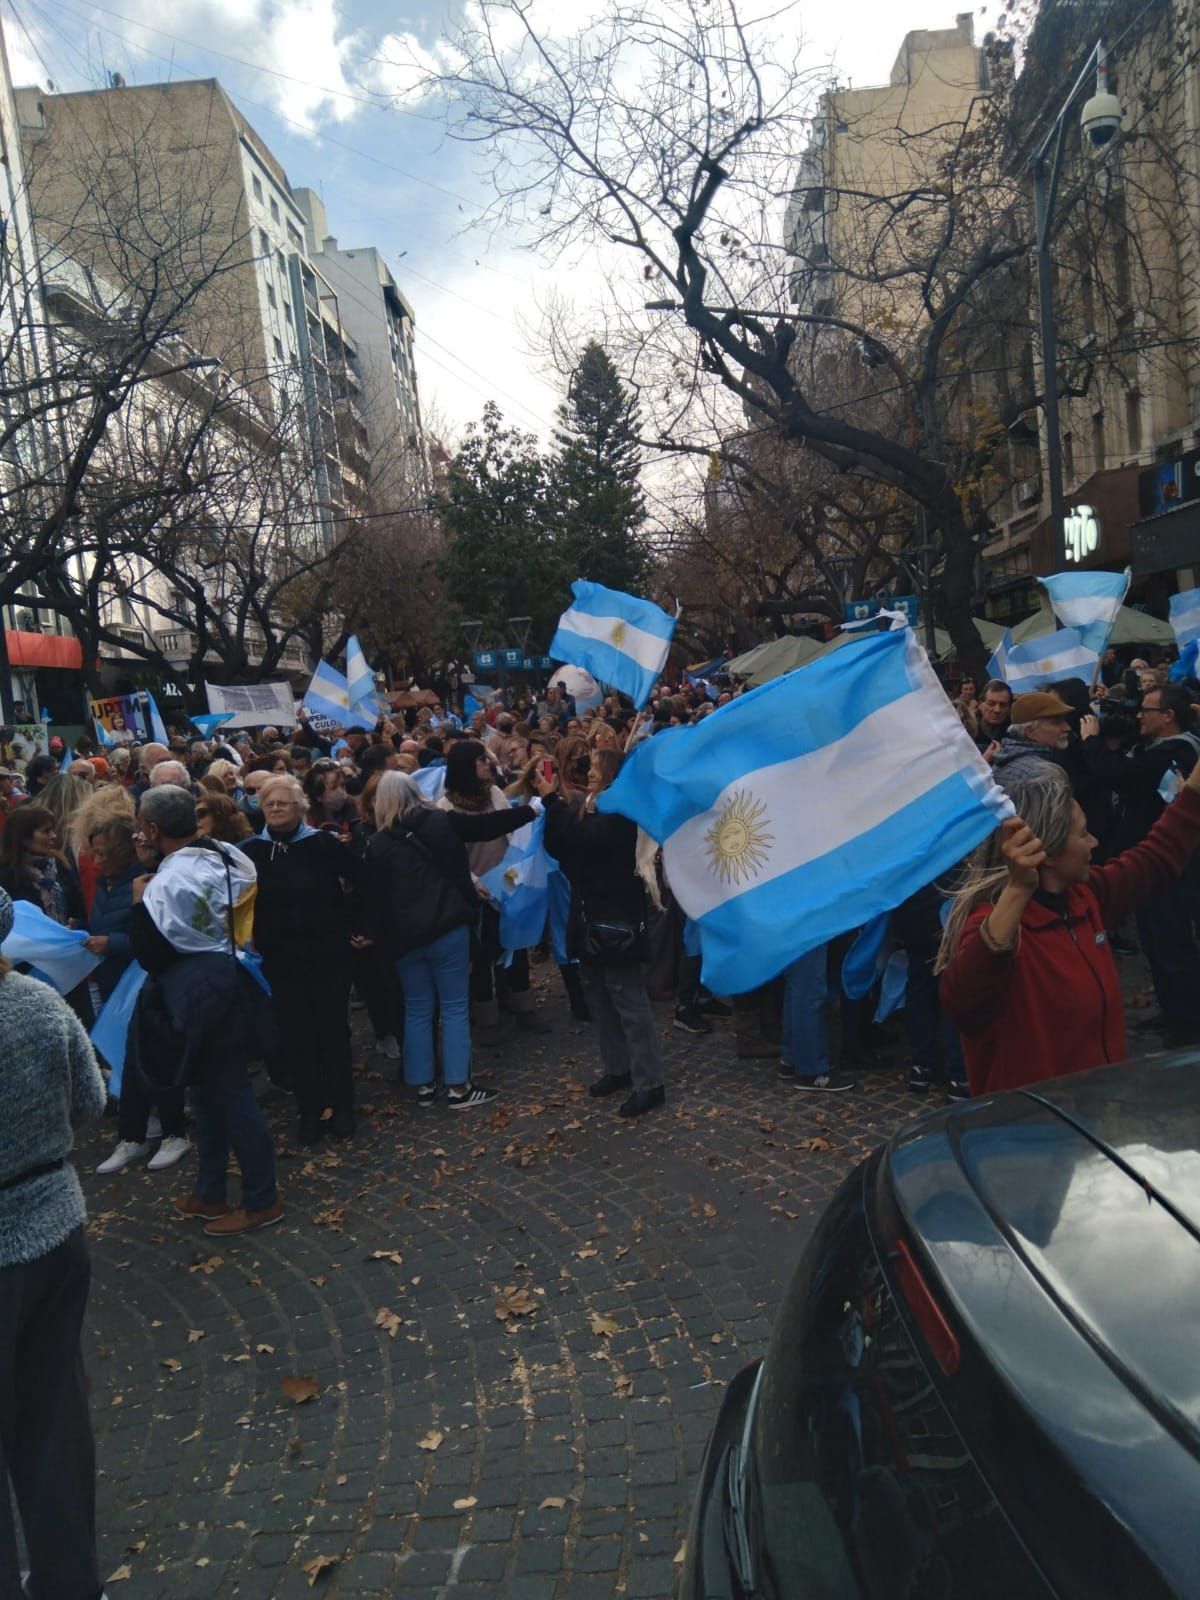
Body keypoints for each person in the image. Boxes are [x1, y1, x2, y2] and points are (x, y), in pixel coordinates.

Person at [938, 761, 1200, 1096]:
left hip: (1094, 1124)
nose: (1094, 842)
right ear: (1045, 853)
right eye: (1082, 833)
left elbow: (1157, 858)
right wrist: (1017, 891)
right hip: (1030, 1136)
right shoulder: (996, 927)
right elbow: (963, 1004)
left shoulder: (1086, 898)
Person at [0, 887, 107, 1600]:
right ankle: (71, 1584)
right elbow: (93, 1102)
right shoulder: (39, 1005)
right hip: (53, 1230)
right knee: (52, 1423)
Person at [129, 785, 281, 1235]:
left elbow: (153, 955)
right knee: (209, 1095)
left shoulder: (165, 884)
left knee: (230, 1095)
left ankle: (262, 1198)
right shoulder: (225, 855)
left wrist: (140, 901)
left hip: (197, 994)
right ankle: (210, 1192)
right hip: (232, 977)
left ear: (153, 828)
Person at [364, 772, 537, 1108]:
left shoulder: (377, 844)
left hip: (404, 939)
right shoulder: (440, 822)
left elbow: (371, 898)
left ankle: (423, 1085)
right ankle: (459, 1087)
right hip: (447, 926)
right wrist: (531, 810)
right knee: (455, 1007)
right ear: (415, 791)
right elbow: (488, 826)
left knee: (417, 1009)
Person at [538, 748, 666, 1117]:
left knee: (628, 999)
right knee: (599, 996)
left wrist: (551, 799)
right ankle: (618, 1067)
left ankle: (649, 1081)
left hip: (616, 917)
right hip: (587, 914)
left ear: (612, 773)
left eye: (595, 766)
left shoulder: (622, 811)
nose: (588, 771)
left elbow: (588, 838)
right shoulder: (589, 804)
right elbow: (562, 844)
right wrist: (556, 810)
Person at [241, 774, 360, 1144]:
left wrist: (355, 925)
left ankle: (343, 1108)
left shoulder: (324, 845)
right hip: (280, 961)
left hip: (328, 956)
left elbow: (360, 879)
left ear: (300, 808)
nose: (275, 809)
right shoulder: (249, 853)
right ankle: (310, 1110)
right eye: (269, 804)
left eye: (283, 803)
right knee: (297, 1037)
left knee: (333, 1033)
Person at [439, 740, 548, 1039]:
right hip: (474, 891)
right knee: (481, 955)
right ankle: (487, 1019)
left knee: (515, 945)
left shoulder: (494, 794)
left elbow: (510, 835)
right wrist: (472, 882)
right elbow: (449, 856)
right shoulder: (445, 808)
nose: (488, 764)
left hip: (507, 883)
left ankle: (523, 1006)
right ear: (464, 767)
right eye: (479, 760)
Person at [973, 679, 1012, 756]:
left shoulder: (1014, 736)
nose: (997, 710)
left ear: (1009, 707)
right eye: (991, 704)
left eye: (1003, 705)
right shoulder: (967, 733)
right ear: (980, 704)